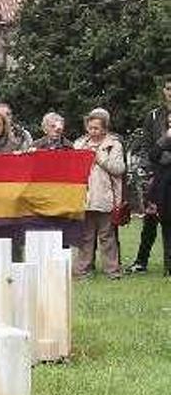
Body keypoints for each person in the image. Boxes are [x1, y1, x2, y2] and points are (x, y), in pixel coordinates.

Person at [72, 109, 126, 279]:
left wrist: (100, 158)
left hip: (106, 197)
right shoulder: (79, 144)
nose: (92, 131)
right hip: (84, 198)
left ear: (104, 128)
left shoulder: (114, 145)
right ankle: (82, 271)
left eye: (96, 128)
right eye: (90, 127)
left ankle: (112, 271)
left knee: (107, 237)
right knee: (85, 238)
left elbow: (119, 169)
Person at [132, 78, 171, 275]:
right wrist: (157, 163)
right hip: (156, 173)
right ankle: (141, 261)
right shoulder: (154, 116)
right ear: (164, 91)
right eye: (169, 89)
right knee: (150, 219)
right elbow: (147, 147)